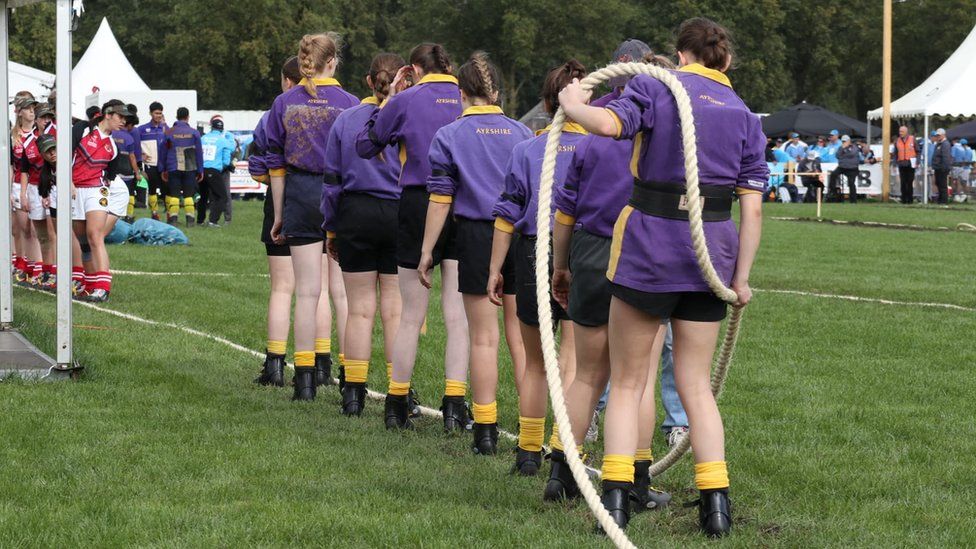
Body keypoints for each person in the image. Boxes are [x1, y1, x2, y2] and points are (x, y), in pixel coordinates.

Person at [558, 17, 767, 536]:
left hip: (650, 247)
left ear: (680, 54)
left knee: (628, 383)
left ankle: (615, 501)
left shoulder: (659, 87)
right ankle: (716, 506)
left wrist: (571, 103)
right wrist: (739, 280)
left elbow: (608, 125)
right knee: (697, 386)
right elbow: (754, 212)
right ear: (727, 60)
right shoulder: (744, 113)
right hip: (711, 253)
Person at [547, 49, 679, 511]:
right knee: (635, 379)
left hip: (588, 250)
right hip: (638, 254)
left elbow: (565, 212)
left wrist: (561, 266)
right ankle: (634, 483)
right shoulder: (664, 136)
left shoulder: (591, 136)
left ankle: (560, 473)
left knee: (586, 374)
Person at [412, 53, 531, 448]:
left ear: (461, 93)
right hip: (521, 238)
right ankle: (532, 437)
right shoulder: (521, 132)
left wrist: (427, 250)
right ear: (496, 90)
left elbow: (441, 200)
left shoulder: (449, 135)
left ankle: (485, 430)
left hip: (479, 237)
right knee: (520, 338)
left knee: (483, 338)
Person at [355, 43, 471, 427]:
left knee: (410, 314)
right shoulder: (465, 95)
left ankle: (396, 402)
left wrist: (390, 98)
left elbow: (366, 144)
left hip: (419, 199)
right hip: (464, 204)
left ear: (415, 69)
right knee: (457, 315)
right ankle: (455, 403)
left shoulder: (409, 99)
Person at [488, 61, 584, 463]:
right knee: (573, 361)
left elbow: (507, 215)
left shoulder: (526, 149)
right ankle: (563, 452)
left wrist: (495, 268)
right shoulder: (596, 147)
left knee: (534, 363)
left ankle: (528, 452)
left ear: (546, 103)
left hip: (530, 252)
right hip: (580, 251)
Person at [267, 33, 358, 401]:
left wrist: (278, 214)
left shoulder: (284, 102)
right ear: (333, 61)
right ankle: (352, 376)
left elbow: (274, 161)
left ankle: (303, 379)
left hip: (301, 194)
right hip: (340, 195)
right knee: (345, 293)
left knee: (306, 292)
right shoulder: (351, 103)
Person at [322, 51, 404, 422]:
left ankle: (353, 394)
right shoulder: (408, 117)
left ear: (369, 81)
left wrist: (332, 227)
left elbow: (332, 181)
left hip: (355, 211)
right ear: (403, 80)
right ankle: (397, 394)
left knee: (359, 310)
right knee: (394, 310)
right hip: (398, 214)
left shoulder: (346, 119)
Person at [251, 56, 302, 388]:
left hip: (283, 200)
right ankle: (320, 366)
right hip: (322, 202)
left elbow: (257, 166)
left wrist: (276, 180)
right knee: (324, 290)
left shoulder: (274, 113)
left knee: (283, 288)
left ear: (286, 80)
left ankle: (275, 365)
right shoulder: (341, 107)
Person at [71, 100, 132, 302]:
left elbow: (110, 175)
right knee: (83, 241)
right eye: (120, 117)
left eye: (125, 118)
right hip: (75, 190)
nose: (123, 121)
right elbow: (65, 154)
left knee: (95, 235)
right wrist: (68, 182)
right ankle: (89, 285)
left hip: (96, 191)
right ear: (108, 114)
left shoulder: (113, 146)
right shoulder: (82, 129)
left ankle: (103, 287)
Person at [10, 94, 43, 286]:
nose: (32, 111)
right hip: (17, 185)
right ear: (19, 112)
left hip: (38, 185)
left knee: (36, 228)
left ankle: (39, 267)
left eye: (33, 108)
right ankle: (26, 264)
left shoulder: (40, 134)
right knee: (23, 229)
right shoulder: (13, 135)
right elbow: (13, 166)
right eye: (28, 108)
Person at [159, 107, 203, 226]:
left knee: (175, 194)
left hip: (173, 166)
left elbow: (163, 151)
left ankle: (173, 219)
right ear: (188, 117)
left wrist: (162, 169)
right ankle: (190, 220)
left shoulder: (169, 132)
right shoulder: (195, 133)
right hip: (190, 167)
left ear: (176, 117)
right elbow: (199, 152)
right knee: (189, 194)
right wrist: (200, 170)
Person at [199, 115, 235, 227]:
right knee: (221, 197)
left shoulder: (203, 138)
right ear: (221, 129)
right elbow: (227, 158)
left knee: (203, 196)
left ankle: (200, 221)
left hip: (200, 171)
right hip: (213, 171)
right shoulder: (223, 140)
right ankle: (213, 221)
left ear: (211, 127)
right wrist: (230, 137)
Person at [137, 102, 170, 220]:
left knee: (167, 190)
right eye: (156, 113)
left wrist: (165, 126)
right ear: (150, 113)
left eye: (160, 113)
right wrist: (140, 155)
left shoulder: (166, 128)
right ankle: (154, 213)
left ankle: (170, 215)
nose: (158, 115)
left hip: (164, 166)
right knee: (152, 189)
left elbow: (171, 142)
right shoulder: (141, 129)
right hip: (150, 165)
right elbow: (135, 146)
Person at [108, 113, 141, 223]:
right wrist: (137, 172)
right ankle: (128, 216)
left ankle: (111, 216)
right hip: (126, 171)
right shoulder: (129, 138)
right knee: (129, 194)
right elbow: (132, 157)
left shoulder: (111, 134)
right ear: (129, 124)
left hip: (113, 170)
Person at [892, 126, 918, 204]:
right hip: (901, 164)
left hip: (910, 164)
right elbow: (895, 154)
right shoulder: (897, 141)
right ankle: (903, 199)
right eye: (900, 131)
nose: (900, 133)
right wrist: (894, 163)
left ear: (906, 132)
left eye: (902, 132)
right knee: (903, 182)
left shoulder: (912, 139)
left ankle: (910, 199)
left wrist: (918, 161)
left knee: (910, 182)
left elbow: (918, 151)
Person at [835, 135, 860, 203]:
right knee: (833, 175)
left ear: (849, 141)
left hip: (852, 168)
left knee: (851, 183)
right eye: (843, 141)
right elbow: (837, 156)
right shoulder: (841, 148)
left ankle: (853, 201)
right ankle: (833, 193)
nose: (844, 143)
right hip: (842, 167)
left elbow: (852, 154)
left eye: (845, 141)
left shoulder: (854, 147)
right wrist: (843, 150)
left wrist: (844, 153)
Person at [931, 128, 952, 204]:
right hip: (938, 168)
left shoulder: (945, 144)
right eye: (937, 135)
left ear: (943, 135)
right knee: (938, 183)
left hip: (942, 168)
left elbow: (946, 157)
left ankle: (944, 201)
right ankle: (940, 200)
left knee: (942, 185)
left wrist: (944, 168)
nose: (937, 136)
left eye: (939, 135)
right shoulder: (939, 143)